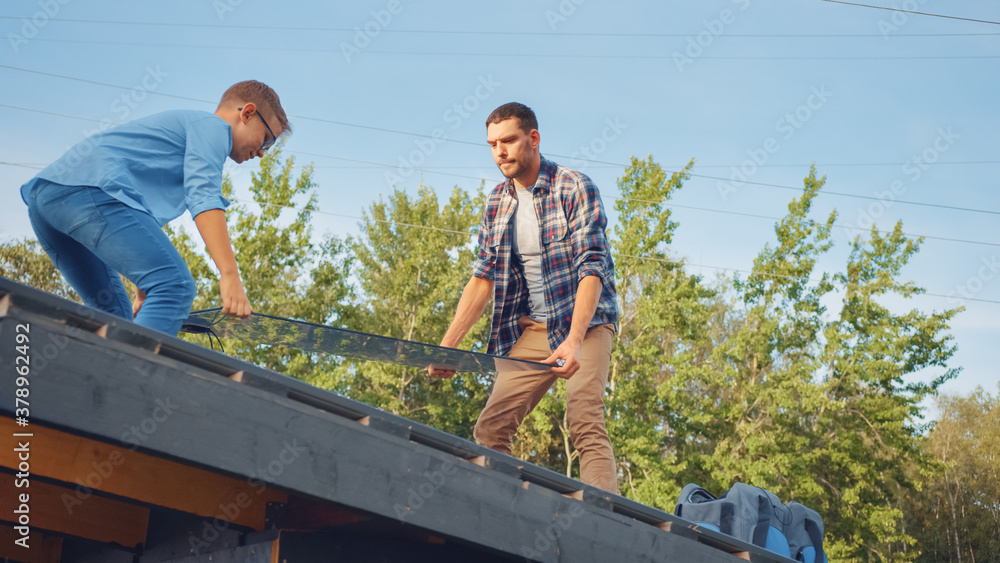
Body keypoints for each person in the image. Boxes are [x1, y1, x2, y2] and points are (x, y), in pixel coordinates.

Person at [430, 102, 619, 493]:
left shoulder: (573, 186)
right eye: (492, 144)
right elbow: (482, 278)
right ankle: (506, 516)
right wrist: (449, 346)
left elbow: (593, 267)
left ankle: (606, 523)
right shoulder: (497, 202)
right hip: (531, 327)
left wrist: (573, 339)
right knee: (491, 429)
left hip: (585, 323)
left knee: (584, 418)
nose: (500, 151)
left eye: (509, 140)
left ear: (533, 139)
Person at [20, 80, 289, 336]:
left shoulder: (187, 139)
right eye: (267, 139)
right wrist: (230, 276)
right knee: (175, 286)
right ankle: (125, 383)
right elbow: (204, 197)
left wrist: (142, 291)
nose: (263, 152)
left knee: (112, 313)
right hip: (87, 192)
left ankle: (87, 378)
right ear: (248, 113)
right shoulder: (213, 127)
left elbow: (138, 223)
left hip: (48, 200)